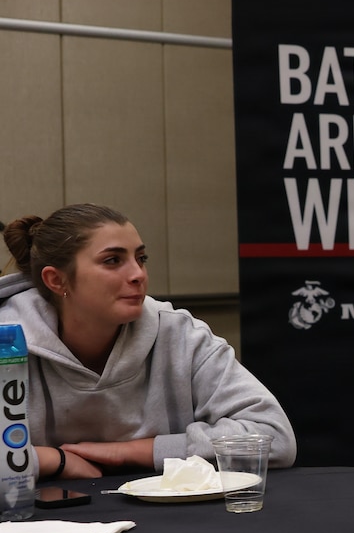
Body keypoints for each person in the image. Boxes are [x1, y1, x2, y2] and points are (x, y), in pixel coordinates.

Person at [0, 203, 296, 479]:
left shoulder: (180, 333)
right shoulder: (7, 338)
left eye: (141, 258)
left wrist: (131, 452)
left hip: (171, 520)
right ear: (56, 280)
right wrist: (52, 460)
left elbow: (274, 437)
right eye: (113, 260)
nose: (138, 274)